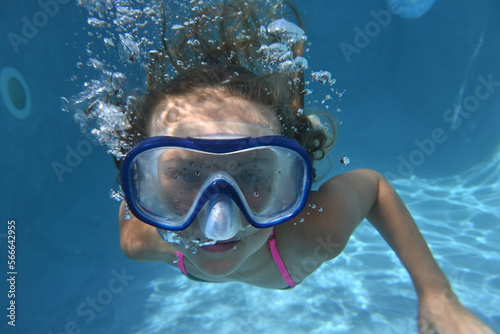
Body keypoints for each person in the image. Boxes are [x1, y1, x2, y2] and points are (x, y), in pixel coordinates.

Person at [104, 1, 494, 333]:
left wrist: (436, 294)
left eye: (251, 172)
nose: (218, 219)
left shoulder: (313, 234)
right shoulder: (141, 239)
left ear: (288, 183)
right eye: (188, 173)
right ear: (145, 186)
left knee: (292, 125)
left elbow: (374, 187)